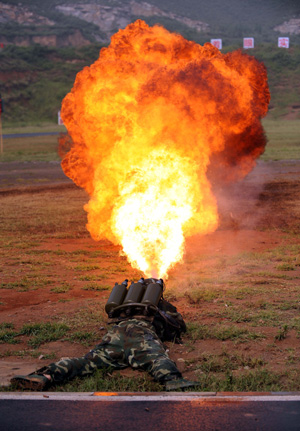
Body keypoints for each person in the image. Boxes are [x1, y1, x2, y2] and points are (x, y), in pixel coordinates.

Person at [11, 278, 199, 392]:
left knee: (85, 362)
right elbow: (177, 326)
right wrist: (164, 307)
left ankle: (46, 376)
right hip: (140, 334)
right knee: (156, 358)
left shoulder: (122, 308)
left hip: (115, 336)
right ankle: (173, 381)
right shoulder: (156, 309)